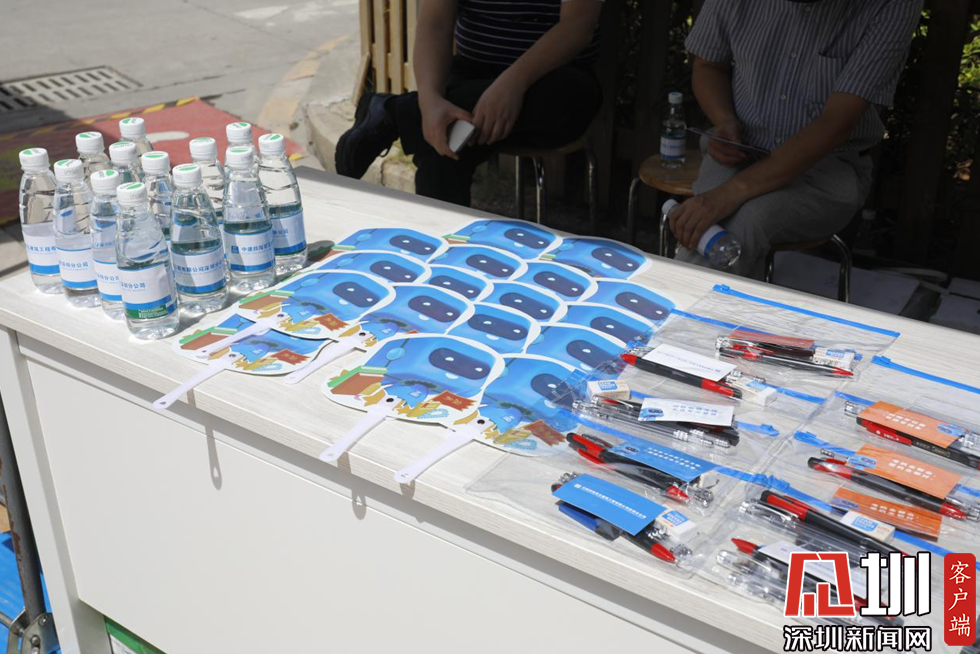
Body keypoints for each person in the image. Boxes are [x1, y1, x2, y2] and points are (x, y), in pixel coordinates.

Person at [669, 0, 923, 279]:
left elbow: (835, 124)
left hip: (827, 167)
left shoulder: (893, 3)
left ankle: (673, 301)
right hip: (740, 150)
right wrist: (724, 120)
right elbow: (708, 65)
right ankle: (683, 300)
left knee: (747, 224)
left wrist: (730, 193)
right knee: (706, 227)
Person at [335, 0, 604, 207]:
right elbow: (434, 23)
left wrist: (513, 84)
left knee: (566, 97)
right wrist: (429, 101)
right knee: (443, 141)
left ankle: (394, 114)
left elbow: (577, 27)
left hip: (552, 80)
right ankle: (440, 247)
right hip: (473, 76)